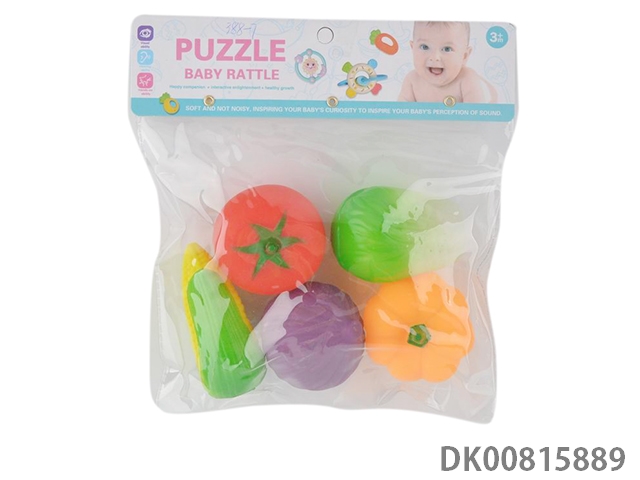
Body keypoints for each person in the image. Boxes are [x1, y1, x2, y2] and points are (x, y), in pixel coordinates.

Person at [399, 21, 497, 103]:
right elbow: (400, 113)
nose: (435, 57)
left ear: (464, 56)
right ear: (412, 49)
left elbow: (476, 116)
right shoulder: (412, 80)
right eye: (424, 47)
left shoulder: (467, 79)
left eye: (447, 49)